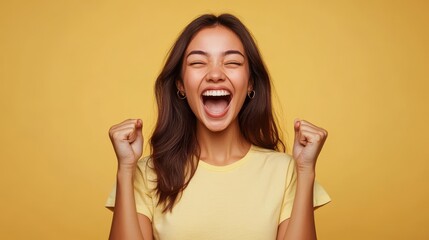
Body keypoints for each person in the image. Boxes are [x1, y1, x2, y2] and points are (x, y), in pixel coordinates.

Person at [106, 13, 330, 240]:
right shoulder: (147, 173)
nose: (215, 74)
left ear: (250, 82)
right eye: (198, 63)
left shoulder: (286, 172)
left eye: (232, 62)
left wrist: (306, 170)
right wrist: (125, 169)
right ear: (181, 85)